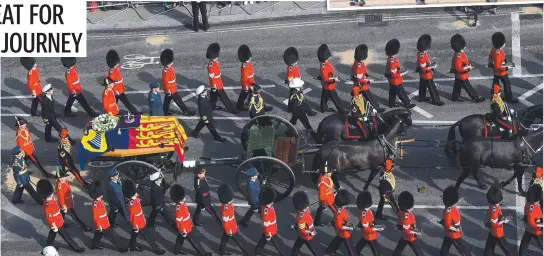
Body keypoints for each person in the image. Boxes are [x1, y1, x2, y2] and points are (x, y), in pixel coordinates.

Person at [37, 179, 85, 253]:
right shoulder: (48, 204)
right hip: (56, 223)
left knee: (52, 235)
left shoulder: (48, 200)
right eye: (51, 194)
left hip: (58, 219)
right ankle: (76, 247)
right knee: (66, 235)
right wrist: (54, 225)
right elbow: (49, 217)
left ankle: (49, 245)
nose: (52, 194)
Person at [123, 179, 166, 254]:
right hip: (138, 223)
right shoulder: (132, 203)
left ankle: (132, 246)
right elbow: (133, 215)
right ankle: (157, 250)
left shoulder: (133, 198)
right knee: (148, 237)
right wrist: (135, 226)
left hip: (140, 220)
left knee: (134, 234)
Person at [171, 184, 213, 256]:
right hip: (185, 228)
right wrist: (183, 231)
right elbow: (179, 222)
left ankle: (176, 250)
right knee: (194, 242)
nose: (184, 198)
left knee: (180, 239)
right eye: (183, 198)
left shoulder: (181, 204)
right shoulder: (178, 208)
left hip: (187, 224)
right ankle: (203, 254)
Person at [89, 181, 129, 252]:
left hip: (104, 220)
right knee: (112, 236)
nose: (102, 195)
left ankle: (94, 244)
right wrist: (99, 226)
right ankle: (120, 248)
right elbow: (96, 217)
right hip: (102, 223)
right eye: (100, 194)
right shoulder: (96, 204)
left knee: (98, 234)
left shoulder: (99, 200)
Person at [450, 34, 486, 103]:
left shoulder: (458, 53)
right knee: (468, 87)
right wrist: (467, 67)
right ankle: (476, 97)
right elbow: (459, 68)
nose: (464, 48)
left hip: (459, 75)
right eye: (462, 48)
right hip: (462, 75)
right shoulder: (458, 57)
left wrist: (467, 65)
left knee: (457, 86)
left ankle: (455, 97)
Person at [217, 184, 252, 256]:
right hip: (229, 227)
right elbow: (226, 221)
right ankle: (245, 249)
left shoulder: (227, 204)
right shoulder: (225, 208)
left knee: (225, 239)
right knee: (231, 238)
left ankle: (221, 251)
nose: (232, 199)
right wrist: (228, 230)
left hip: (232, 225)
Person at [160, 48, 196, 116]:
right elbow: (166, 82)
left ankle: (165, 111)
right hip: (171, 89)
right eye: (171, 62)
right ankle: (186, 111)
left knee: (167, 101)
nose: (172, 62)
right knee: (179, 101)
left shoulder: (169, 67)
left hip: (172, 87)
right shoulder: (166, 70)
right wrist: (168, 91)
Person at [352, 44, 385, 113]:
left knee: (364, 98)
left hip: (360, 85)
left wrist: (366, 76)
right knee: (369, 98)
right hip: (363, 86)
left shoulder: (357, 62)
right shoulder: (359, 66)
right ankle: (376, 108)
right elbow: (360, 79)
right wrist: (367, 81)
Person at [106, 50, 140, 114]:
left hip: (120, 88)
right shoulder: (112, 72)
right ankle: (134, 112)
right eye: (116, 64)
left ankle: (113, 111)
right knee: (125, 101)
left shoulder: (116, 68)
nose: (118, 64)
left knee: (115, 102)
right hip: (117, 90)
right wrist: (116, 91)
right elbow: (112, 83)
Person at [284, 47, 316, 116]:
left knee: (291, 97)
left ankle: (290, 109)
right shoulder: (291, 69)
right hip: (296, 85)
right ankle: (309, 111)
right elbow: (291, 79)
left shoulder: (290, 66)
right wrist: (299, 86)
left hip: (294, 85)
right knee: (302, 99)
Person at [324, 189, 357, 256]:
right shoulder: (339, 212)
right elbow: (339, 225)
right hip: (343, 231)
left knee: (338, 239)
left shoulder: (340, 209)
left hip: (342, 229)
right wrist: (348, 227)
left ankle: (330, 251)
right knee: (349, 245)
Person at [385, 39, 415, 109]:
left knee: (392, 92)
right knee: (401, 93)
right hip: (396, 81)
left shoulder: (389, 58)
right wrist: (402, 74)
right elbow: (394, 74)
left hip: (392, 80)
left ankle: (391, 104)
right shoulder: (392, 61)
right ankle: (407, 104)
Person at [206, 43, 237, 113]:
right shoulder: (211, 65)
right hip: (217, 84)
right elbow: (212, 78)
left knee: (213, 96)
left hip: (217, 82)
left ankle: (212, 107)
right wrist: (214, 87)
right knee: (224, 97)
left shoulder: (214, 62)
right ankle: (231, 109)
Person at [254, 187, 285, 256]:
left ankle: (258, 252)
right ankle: (257, 252)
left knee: (263, 241)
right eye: (271, 202)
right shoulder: (266, 211)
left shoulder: (266, 206)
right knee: (263, 240)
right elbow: (266, 225)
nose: (272, 203)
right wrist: (268, 234)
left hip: (272, 228)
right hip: (269, 230)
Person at [440, 186, 469, 256]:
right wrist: (456, 229)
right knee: (459, 246)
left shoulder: (448, 209)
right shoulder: (449, 211)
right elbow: (448, 225)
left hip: (451, 232)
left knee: (446, 245)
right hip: (453, 232)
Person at [489, 32, 517, 103]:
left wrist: (490, 63)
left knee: (496, 84)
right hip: (501, 72)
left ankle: (494, 97)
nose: (504, 43)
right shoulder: (499, 53)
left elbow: (490, 57)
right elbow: (499, 66)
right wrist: (507, 67)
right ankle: (509, 98)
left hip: (496, 72)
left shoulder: (494, 49)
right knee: (507, 84)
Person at [483, 187, 512, 256]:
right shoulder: (494, 210)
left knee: (491, 242)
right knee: (505, 246)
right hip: (497, 231)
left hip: (492, 231)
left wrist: (502, 218)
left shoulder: (492, 206)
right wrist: (504, 221)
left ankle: (488, 254)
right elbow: (494, 224)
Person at [392, 191, 423, 256]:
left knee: (400, 247)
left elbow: (399, 214)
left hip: (405, 236)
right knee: (418, 251)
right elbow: (406, 229)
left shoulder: (402, 212)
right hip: (410, 237)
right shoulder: (407, 216)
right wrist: (416, 232)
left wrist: (400, 227)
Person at [416, 34, 444, 106]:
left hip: (423, 75)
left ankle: (421, 98)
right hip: (426, 75)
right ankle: (436, 100)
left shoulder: (420, 53)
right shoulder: (422, 56)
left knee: (422, 86)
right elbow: (423, 68)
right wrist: (432, 67)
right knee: (432, 88)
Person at [355, 190, 384, 256]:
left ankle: (355, 252)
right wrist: (376, 229)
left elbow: (371, 220)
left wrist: (376, 226)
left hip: (368, 232)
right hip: (370, 235)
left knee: (363, 241)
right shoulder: (364, 214)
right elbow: (366, 229)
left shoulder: (366, 210)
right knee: (376, 250)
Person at [318, 44, 345, 113]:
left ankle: (323, 108)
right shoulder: (324, 66)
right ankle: (342, 110)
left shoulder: (324, 63)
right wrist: (334, 79)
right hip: (329, 86)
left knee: (324, 97)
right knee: (336, 99)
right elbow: (326, 79)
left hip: (326, 86)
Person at [291, 191, 318, 256]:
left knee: (299, 243)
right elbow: (302, 230)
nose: (307, 208)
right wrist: (310, 232)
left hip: (307, 231)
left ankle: (294, 252)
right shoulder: (301, 218)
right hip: (305, 234)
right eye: (305, 207)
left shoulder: (303, 209)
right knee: (306, 244)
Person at [518, 184, 543, 256]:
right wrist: (542, 224)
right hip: (536, 229)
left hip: (529, 228)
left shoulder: (529, 203)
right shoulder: (532, 209)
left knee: (525, 242)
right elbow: (532, 223)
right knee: (540, 242)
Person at [237, 45, 255, 111]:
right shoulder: (245, 66)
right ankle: (239, 106)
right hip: (247, 84)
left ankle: (249, 103)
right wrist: (245, 86)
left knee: (252, 94)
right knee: (243, 95)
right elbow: (244, 78)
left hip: (251, 82)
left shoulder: (247, 63)